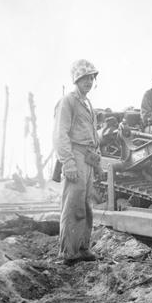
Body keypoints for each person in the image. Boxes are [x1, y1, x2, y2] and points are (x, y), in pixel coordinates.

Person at [53, 59, 102, 265]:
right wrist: (68, 163)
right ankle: (68, 252)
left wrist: (96, 160)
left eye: (91, 78)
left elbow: (92, 133)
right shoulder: (68, 101)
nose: (89, 82)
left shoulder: (87, 102)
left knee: (85, 204)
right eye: (84, 78)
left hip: (88, 158)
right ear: (76, 79)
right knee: (73, 204)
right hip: (75, 156)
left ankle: (82, 247)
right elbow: (60, 134)